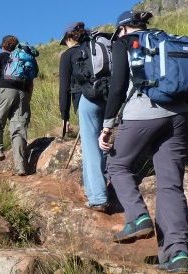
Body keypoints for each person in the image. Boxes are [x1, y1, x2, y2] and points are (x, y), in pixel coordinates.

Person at [98, 11, 188, 272]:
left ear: (123, 29)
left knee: (116, 165)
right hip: (180, 115)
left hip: (143, 113)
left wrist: (107, 126)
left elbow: (117, 87)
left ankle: (138, 217)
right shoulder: (167, 41)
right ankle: (178, 255)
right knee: (171, 186)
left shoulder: (124, 43)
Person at [59, 22, 109, 212]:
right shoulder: (96, 49)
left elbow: (64, 88)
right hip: (109, 98)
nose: (66, 45)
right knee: (103, 144)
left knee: (90, 148)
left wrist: (64, 115)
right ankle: (94, 191)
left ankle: (98, 197)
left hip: (86, 101)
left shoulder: (68, 55)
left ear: (70, 38)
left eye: (66, 41)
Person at [0, 35, 34, 176]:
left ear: (3, 45)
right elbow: (31, 82)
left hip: (5, 90)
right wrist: (27, 99)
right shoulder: (24, 59)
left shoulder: (0, 56)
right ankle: (20, 167)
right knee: (19, 130)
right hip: (23, 93)